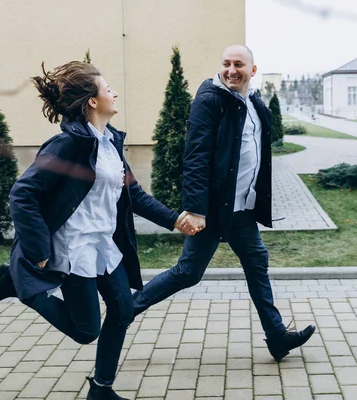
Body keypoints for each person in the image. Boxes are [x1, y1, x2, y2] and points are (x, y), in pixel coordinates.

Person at [0, 61, 195, 400]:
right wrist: (37, 250)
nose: (115, 93)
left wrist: (175, 220)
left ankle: (101, 390)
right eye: (108, 89)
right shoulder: (69, 145)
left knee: (123, 311)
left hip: (103, 246)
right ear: (93, 101)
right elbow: (23, 193)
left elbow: (132, 194)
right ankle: (23, 287)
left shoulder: (108, 143)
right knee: (86, 331)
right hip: (74, 249)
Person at [133, 45, 316, 362]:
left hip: (241, 209)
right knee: (188, 272)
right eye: (226, 64)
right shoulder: (210, 101)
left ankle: (276, 337)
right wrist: (196, 209)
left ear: (252, 71)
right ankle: (126, 309)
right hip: (215, 210)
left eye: (239, 64)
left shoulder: (254, 103)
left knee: (257, 261)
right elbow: (195, 158)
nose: (232, 70)